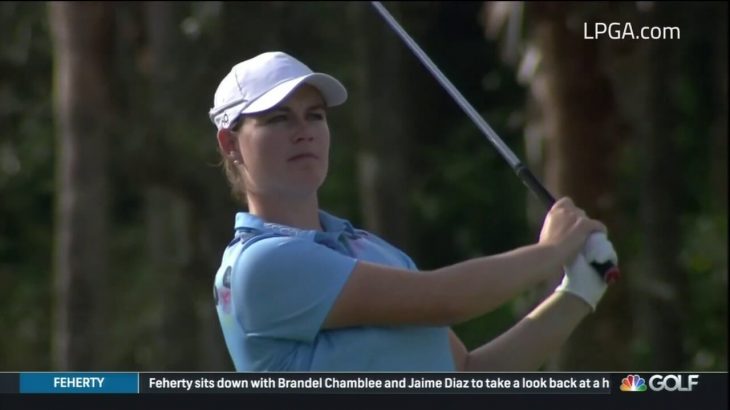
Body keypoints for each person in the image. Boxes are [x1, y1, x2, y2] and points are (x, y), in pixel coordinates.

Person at [208, 51, 618, 372]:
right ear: (230, 144)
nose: (304, 131)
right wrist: (549, 252)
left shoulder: (369, 249)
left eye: (314, 115)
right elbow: (445, 300)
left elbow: (470, 374)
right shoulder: (260, 264)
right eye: (278, 119)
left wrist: (579, 292)